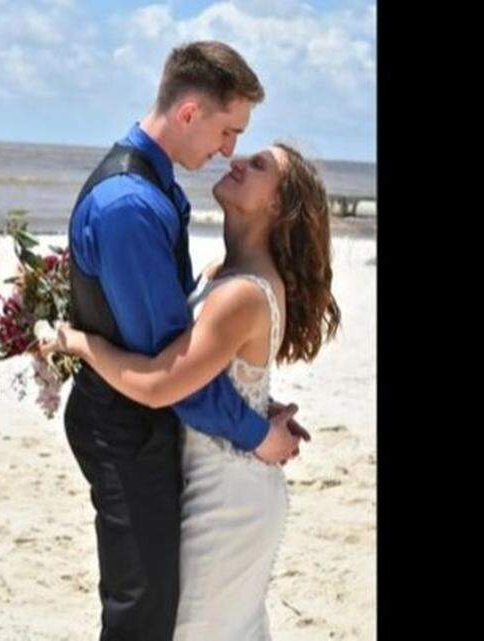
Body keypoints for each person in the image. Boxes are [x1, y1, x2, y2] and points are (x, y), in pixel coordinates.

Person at [56, 41, 305, 641]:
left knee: (163, 600)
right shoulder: (132, 205)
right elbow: (167, 373)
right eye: (228, 131)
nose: (229, 151)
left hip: (152, 418)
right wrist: (255, 431)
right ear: (190, 112)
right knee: (143, 607)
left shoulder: (156, 185)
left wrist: (253, 410)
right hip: (124, 422)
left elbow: (181, 353)